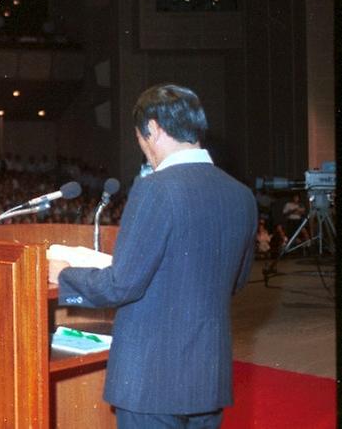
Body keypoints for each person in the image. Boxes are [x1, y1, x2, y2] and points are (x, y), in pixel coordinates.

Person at [48, 84, 257, 429]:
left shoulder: (155, 189)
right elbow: (236, 280)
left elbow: (121, 285)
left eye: (140, 138)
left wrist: (65, 274)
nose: (143, 150)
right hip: (208, 377)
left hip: (151, 381)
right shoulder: (242, 195)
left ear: (154, 128)